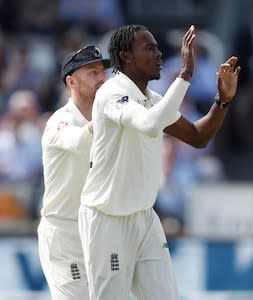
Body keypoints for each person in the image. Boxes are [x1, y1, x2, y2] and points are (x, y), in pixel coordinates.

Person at [78, 24, 240, 300]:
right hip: (107, 220)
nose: (159, 54)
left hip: (144, 218)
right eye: (149, 48)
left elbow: (197, 136)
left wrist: (222, 101)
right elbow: (150, 125)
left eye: (157, 48)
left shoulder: (151, 99)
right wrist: (186, 75)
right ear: (125, 56)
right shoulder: (112, 93)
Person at [37, 45, 109, 299]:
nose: (102, 78)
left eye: (102, 71)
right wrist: (107, 116)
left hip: (98, 232)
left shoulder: (109, 120)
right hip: (64, 233)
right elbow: (77, 141)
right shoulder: (59, 120)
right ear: (71, 81)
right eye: (92, 72)